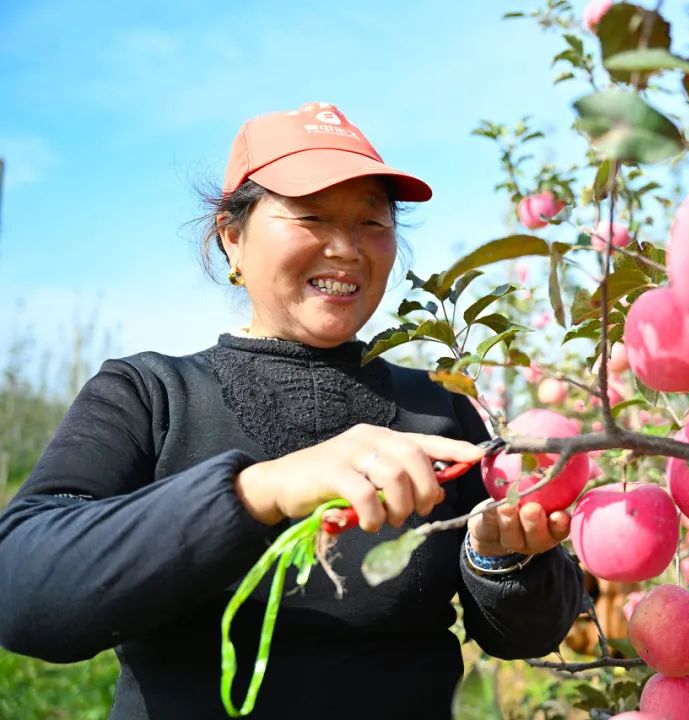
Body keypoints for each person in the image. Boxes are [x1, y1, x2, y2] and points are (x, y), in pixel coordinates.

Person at [0, 102, 585, 719]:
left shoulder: (442, 406)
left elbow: (526, 634)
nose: (346, 247)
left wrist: (501, 561)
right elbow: (23, 590)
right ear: (232, 237)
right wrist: (257, 491)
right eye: (310, 216)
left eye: (371, 221)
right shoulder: (150, 393)